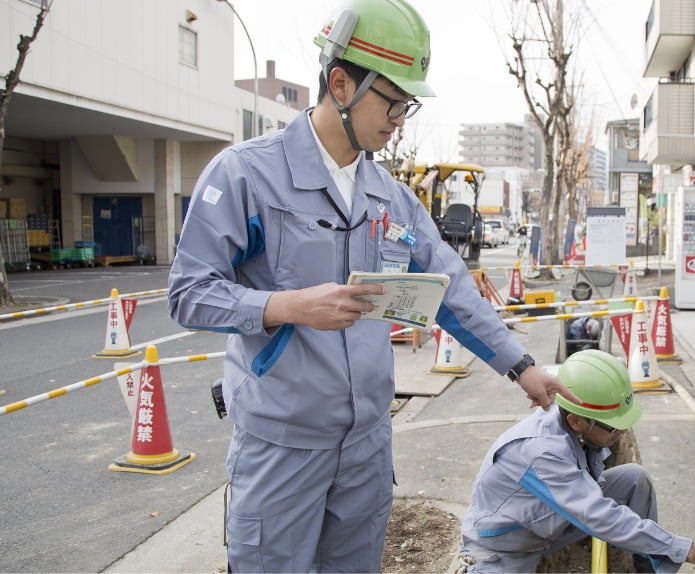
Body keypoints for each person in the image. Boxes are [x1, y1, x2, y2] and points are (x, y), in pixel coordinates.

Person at [167, 1, 576, 572]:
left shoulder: (390, 196)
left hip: (365, 446)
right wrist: (288, 306)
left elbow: (450, 289)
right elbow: (189, 293)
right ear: (340, 83)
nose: (400, 119)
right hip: (280, 445)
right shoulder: (245, 175)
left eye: (408, 105)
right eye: (393, 101)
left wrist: (523, 368)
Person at [459, 350, 695, 573]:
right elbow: (599, 516)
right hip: (504, 551)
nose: (623, 432)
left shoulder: (572, 421)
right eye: (614, 427)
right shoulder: (542, 451)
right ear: (577, 422)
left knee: (633, 479)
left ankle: (648, 569)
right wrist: (691, 550)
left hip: (547, 524)